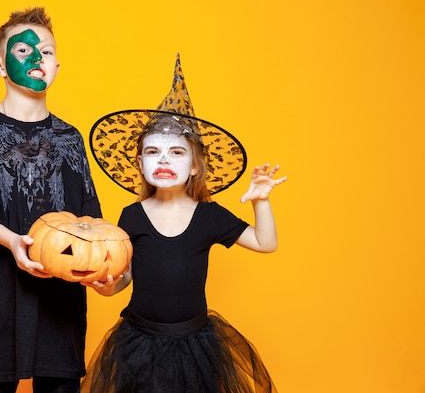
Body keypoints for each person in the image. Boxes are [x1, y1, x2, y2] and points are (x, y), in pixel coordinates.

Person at [82, 55, 286, 393]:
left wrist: (261, 201)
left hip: (194, 345)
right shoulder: (131, 216)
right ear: (139, 163)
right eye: (153, 153)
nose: (163, 160)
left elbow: (266, 243)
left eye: (176, 152)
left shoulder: (209, 215)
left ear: (195, 166)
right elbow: (124, 277)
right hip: (139, 342)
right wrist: (106, 286)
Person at [0, 7, 101, 393]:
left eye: (47, 52)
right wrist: (15, 242)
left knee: (60, 383)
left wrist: (103, 265)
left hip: (61, 293)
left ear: (57, 67)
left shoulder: (70, 137)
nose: (38, 58)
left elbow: (89, 216)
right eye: (24, 51)